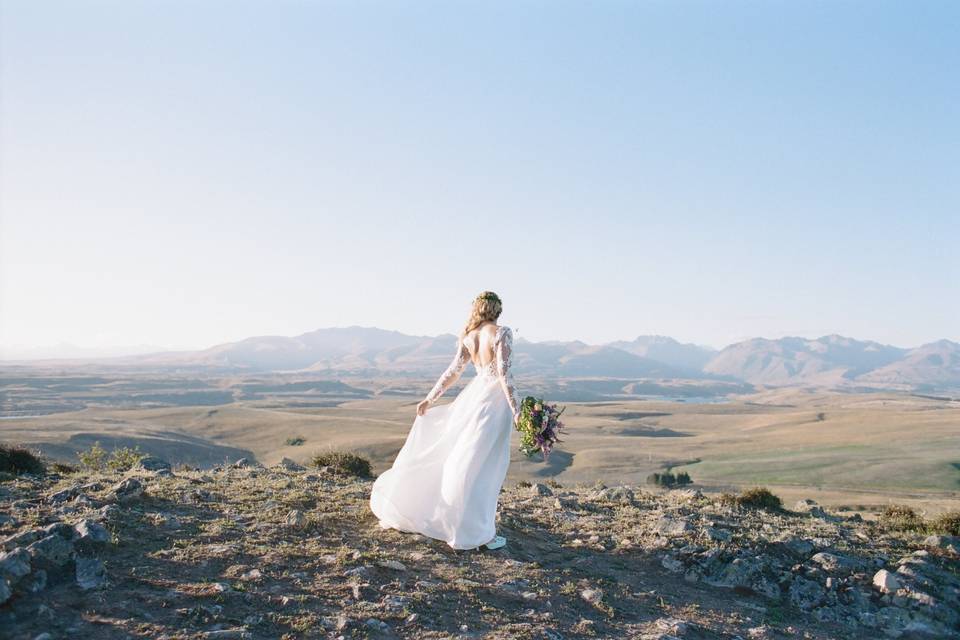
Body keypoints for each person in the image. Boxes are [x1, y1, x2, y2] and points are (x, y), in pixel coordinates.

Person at [369, 291, 520, 550]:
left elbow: (453, 372)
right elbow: (504, 376)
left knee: (465, 461)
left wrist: (430, 399)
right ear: (496, 310)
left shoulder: (469, 337)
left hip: (473, 399)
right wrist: (517, 409)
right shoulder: (502, 333)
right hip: (494, 404)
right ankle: (475, 529)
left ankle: (466, 522)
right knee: (486, 466)